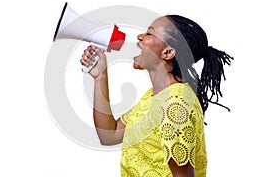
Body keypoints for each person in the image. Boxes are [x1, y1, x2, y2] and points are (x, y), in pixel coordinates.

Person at [80, 15, 233, 177]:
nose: (140, 37)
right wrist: (100, 76)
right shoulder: (154, 97)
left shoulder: (175, 103)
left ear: (168, 52)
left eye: (149, 33)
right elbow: (109, 135)